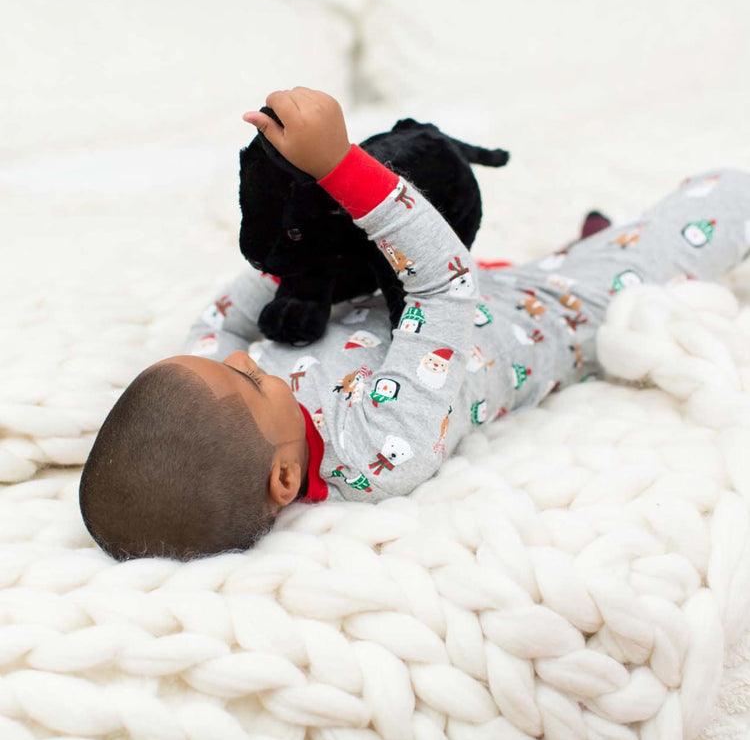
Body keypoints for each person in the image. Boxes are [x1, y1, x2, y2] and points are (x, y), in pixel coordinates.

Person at [78, 87, 750, 562]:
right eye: (251, 383)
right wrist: (345, 172)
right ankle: (596, 249)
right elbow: (444, 285)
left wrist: (298, 212)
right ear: (284, 482)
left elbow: (236, 309)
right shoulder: (376, 447)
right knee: (724, 198)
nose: (248, 357)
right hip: (558, 310)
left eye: (228, 361)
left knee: (559, 254)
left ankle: (585, 241)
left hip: (458, 285)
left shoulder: (222, 398)